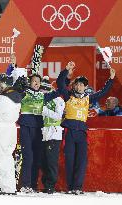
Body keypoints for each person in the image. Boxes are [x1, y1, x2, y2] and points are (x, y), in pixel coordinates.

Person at [57, 62, 115, 194]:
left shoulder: (88, 98)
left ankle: (77, 187)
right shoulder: (68, 96)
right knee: (70, 160)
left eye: (81, 84)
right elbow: (60, 83)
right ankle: (70, 187)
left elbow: (103, 92)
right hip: (69, 131)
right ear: (74, 85)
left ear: (85, 87)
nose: (79, 86)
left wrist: (111, 79)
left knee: (81, 161)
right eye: (77, 84)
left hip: (82, 132)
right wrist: (66, 70)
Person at [18, 73, 60, 193]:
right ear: (30, 82)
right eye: (34, 81)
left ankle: (33, 185)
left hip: (38, 128)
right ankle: (25, 185)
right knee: (28, 157)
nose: (36, 83)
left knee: (36, 158)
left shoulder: (43, 96)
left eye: (38, 81)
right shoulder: (24, 93)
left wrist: (65, 75)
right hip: (26, 127)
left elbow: (59, 91)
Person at [40, 76, 65, 194]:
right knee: (44, 161)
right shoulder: (42, 99)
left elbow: (58, 116)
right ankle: (46, 184)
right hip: (44, 133)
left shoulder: (58, 100)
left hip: (54, 133)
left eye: (45, 89)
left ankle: (51, 185)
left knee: (51, 161)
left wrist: (44, 110)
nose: (43, 92)